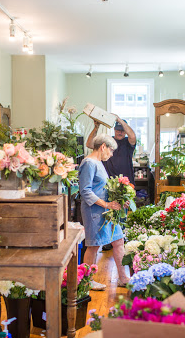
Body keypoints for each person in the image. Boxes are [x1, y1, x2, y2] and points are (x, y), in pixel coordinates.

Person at [79, 133, 130, 290]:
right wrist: (107, 205)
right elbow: (85, 191)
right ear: (103, 147)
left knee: (118, 240)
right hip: (94, 212)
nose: (112, 154)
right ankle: (87, 281)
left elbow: (102, 188)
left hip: (107, 211)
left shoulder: (99, 163)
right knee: (94, 246)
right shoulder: (89, 163)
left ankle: (123, 278)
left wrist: (120, 200)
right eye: (111, 150)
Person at [86, 116, 136, 251]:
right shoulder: (108, 143)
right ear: (114, 130)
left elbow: (133, 135)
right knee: (109, 213)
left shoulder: (128, 143)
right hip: (108, 185)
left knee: (122, 212)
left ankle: (120, 239)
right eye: (118, 129)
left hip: (125, 185)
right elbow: (90, 144)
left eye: (122, 130)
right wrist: (96, 127)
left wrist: (120, 121)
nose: (120, 132)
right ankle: (111, 240)